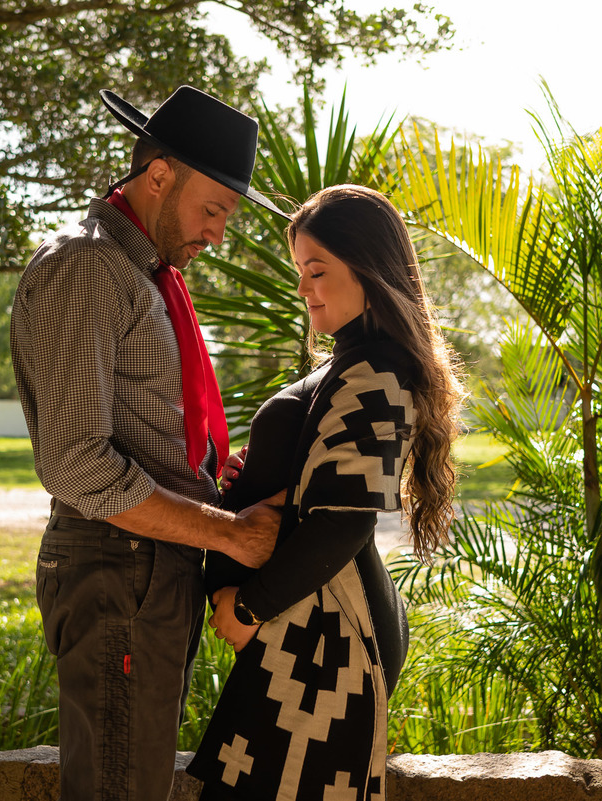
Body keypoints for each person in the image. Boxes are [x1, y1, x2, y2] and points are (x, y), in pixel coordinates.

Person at [10, 85, 289, 801]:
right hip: (118, 568)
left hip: (142, 569)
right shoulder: (89, 266)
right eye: (213, 210)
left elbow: (133, 425)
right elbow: (77, 463)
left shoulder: (140, 274)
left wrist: (201, 470)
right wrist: (227, 531)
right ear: (159, 174)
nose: (217, 234)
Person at [187, 185, 466, 799]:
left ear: (368, 269)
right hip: (312, 627)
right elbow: (325, 487)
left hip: (324, 640)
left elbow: (344, 522)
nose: (303, 288)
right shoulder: (356, 363)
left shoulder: (375, 371)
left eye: (318, 270)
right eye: (299, 272)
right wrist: (257, 479)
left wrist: (250, 607)